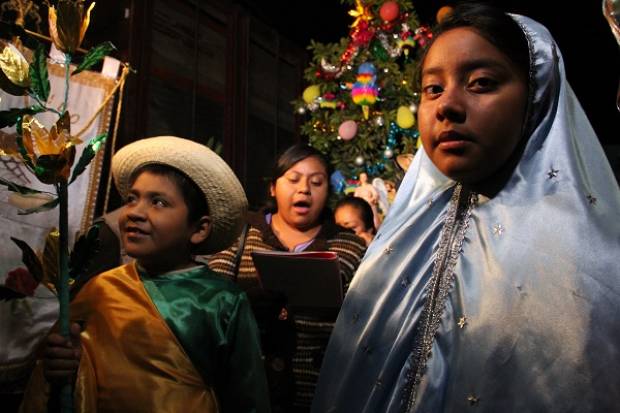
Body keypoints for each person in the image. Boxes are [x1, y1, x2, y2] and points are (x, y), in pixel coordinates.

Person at [312, 4, 620, 412]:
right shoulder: (396, 241)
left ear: (537, 95)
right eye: (432, 89)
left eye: (480, 83)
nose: (447, 106)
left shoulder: (591, 262)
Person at [20, 136, 270, 412]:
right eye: (132, 199)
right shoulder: (101, 290)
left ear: (199, 229)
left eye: (159, 203)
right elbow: (64, 378)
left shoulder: (222, 301)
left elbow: (248, 400)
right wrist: (63, 367)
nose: (136, 212)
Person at [208, 143, 366, 412]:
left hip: (323, 396)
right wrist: (244, 306)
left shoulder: (349, 245)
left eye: (316, 182)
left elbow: (365, 320)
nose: (304, 189)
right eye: (293, 179)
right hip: (246, 393)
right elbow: (208, 303)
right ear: (273, 187)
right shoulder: (239, 234)